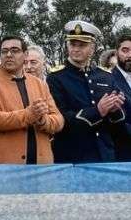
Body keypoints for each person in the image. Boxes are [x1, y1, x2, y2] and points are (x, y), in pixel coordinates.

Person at [47, 21, 126, 164]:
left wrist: (115, 110)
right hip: (72, 156)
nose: (76, 49)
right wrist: (98, 111)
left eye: (82, 45)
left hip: (105, 155)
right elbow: (61, 117)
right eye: (72, 44)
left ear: (93, 48)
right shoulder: (56, 77)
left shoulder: (106, 76)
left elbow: (118, 124)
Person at [0, 36, 63, 164]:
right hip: (6, 167)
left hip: (42, 165)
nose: (9, 55)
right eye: (4, 51)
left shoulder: (39, 84)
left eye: (15, 50)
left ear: (25, 54)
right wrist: (29, 115)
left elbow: (58, 120)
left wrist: (42, 119)